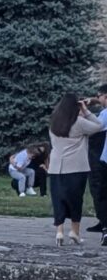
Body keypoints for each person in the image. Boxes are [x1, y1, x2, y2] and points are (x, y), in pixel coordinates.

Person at [48, 92, 105, 247]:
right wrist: (86, 110)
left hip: (55, 167)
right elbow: (99, 126)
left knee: (58, 199)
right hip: (76, 167)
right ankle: (75, 232)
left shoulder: (54, 122)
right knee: (75, 200)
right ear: (76, 106)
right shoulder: (78, 122)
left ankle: (59, 232)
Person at [84, 84, 107, 236]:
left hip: (99, 158)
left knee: (99, 190)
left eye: (99, 96)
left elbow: (94, 128)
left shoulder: (105, 113)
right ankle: (103, 220)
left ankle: (105, 223)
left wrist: (84, 111)